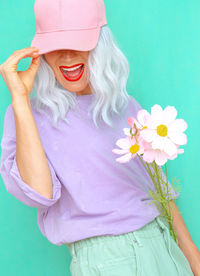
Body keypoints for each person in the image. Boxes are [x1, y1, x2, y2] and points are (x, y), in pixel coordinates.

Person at [0, 0, 199, 275]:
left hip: (163, 245)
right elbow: (41, 193)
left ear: (100, 43)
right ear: (41, 53)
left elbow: (159, 191)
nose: (67, 56)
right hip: (107, 261)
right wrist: (20, 98)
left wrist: (193, 260)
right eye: (55, 46)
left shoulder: (126, 105)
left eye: (79, 42)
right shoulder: (28, 115)